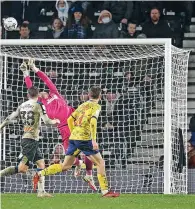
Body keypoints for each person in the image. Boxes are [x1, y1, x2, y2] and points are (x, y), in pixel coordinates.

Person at [20, 59, 96, 191]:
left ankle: (89, 174)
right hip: (64, 129)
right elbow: (30, 89)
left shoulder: (55, 93)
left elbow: (46, 80)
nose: (43, 91)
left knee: (87, 149)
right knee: (68, 161)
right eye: (39, 92)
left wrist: (35, 69)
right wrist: (26, 73)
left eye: (43, 90)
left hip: (75, 122)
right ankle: (78, 165)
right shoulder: (40, 103)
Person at [33, 86, 120, 198]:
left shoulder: (83, 105)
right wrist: (93, 140)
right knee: (100, 163)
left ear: (89, 95)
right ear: (100, 96)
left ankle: (40, 173)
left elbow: (70, 119)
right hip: (84, 138)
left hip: (73, 137)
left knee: (65, 166)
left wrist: (74, 131)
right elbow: (93, 122)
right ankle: (105, 191)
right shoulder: (96, 106)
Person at [0, 87, 60, 197]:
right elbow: (47, 121)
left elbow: (9, 118)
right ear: (38, 95)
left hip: (29, 139)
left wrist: (1, 126)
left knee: (41, 164)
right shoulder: (39, 105)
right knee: (22, 169)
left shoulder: (22, 105)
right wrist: (55, 121)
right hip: (30, 141)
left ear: (28, 95)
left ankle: (41, 192)